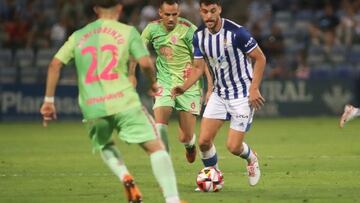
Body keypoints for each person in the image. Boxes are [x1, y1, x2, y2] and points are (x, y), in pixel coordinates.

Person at [39, 1, 184, 203]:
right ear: (119, 9)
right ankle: (172, 200)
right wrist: (153, 83)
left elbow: (55, 65)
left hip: (92, 106)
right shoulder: (127, 31)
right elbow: (145, 62)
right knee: (157, 148)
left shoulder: (78, 36)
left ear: (96, 9)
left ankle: (125, 176)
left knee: (105, 144)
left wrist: (48, 101)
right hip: (123, 101)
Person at [172, 0, 266, 187]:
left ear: (219, 10)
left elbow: (260, 58)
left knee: (233, 147)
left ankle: (252, 158)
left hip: (241, 95)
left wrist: (254, 88)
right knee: (204, 142)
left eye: (212, 11)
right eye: (205, 12)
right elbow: (198, 68)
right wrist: (184, 87)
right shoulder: (199, 36)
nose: (208, 16)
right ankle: (214, 178)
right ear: (200, 12)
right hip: (219, 94)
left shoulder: (237, 33)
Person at [130, 0, 210, 163]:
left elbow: (202, 62)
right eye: (167, 14)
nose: (171, 18)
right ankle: (165, 166)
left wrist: (210, 86)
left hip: (189, 85)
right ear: (160, 13)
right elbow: (136, 51)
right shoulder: (152, 29)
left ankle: (189, 145)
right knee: (160, 125)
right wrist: (131, 74)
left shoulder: (189, 30)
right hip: (164, 83)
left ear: (179, 13)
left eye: (174, 14)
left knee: (185, 136)